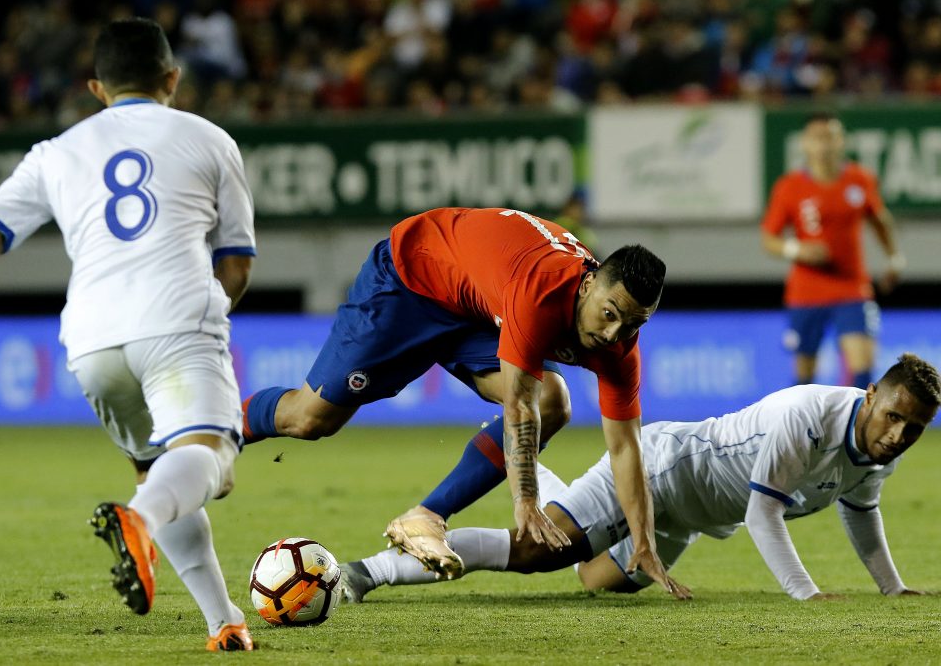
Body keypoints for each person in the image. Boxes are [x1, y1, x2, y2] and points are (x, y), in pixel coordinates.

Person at [0, 19, 257, 652]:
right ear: (172, 79)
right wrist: (206, 316)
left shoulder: (56, 151)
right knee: (212, 459)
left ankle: (223, 621)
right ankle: (140, 521)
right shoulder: (211, 140)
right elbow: (235, 266)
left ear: (97, 88)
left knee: (155, 468)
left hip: (92, 339)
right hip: (178, 318)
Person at [241, 206, 689, 599]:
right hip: (410, 280)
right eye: (610, 314)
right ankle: (218, 425)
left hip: (472, 309)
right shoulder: (543, 289)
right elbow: (517, 405)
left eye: (632, 325)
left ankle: (425, 517)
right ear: (589, 283)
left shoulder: (618, 348)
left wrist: (644, 540)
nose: (614, 334)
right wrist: (526, 499)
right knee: (310, 419)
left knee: (554, 400)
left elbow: (626, 447)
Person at [339, 354, 939, 602]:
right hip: (659, 473)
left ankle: (534, 467)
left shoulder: (879, 450)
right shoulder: (807, 415)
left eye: (913, 429)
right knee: (536, 554)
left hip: (691, 514)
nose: (897, 436)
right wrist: (807, 595)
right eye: (892, 417)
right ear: (868, 397)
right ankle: (368, 573)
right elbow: (764, 513)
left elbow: (861, 510)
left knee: (600, 581)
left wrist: (892, 588)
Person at [761, 112, 905, 389]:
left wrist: (894, 258)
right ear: (804, 143)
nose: (824, 145)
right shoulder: (789, 187)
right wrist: (798, 249)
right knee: (804, 376)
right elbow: (769, 238)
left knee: (863, 365)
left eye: (830, 137)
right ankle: (804, 431)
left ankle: (853, 430)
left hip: (852, 288)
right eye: (817, 138)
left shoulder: (860, 180)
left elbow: (879, 220)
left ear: (841, 141)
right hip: (806, 292)